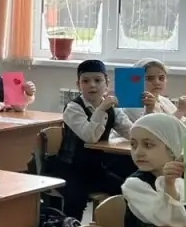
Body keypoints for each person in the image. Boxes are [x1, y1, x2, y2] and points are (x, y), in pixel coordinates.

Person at [47, 59, 133, 217]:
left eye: (98, 80)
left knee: (125, 190)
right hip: (70, 168)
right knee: (76, 199)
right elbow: (90, 137)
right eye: (85, 81)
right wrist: (101, 110)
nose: (92, 85)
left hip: (96, 169)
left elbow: (130, 132)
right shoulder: (73, 108)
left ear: (106, 84)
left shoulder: (112, 108)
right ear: (78, 85)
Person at [123, 58, 186, 129]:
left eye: (161, 78)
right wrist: (180, 111)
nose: (157, 82)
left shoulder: (163, 100)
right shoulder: (133, 105)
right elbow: (157, 132)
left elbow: (182, 124)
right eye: (149, 78)